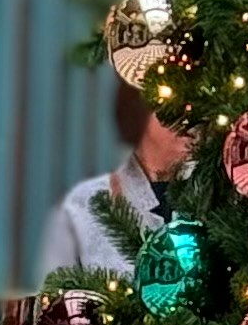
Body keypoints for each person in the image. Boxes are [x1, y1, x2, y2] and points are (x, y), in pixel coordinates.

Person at [36, 83, 190, 277]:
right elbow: (53, 300)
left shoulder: (219, 201)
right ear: (139, 113)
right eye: (174, 108)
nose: (189, 120)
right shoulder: (80, 208)